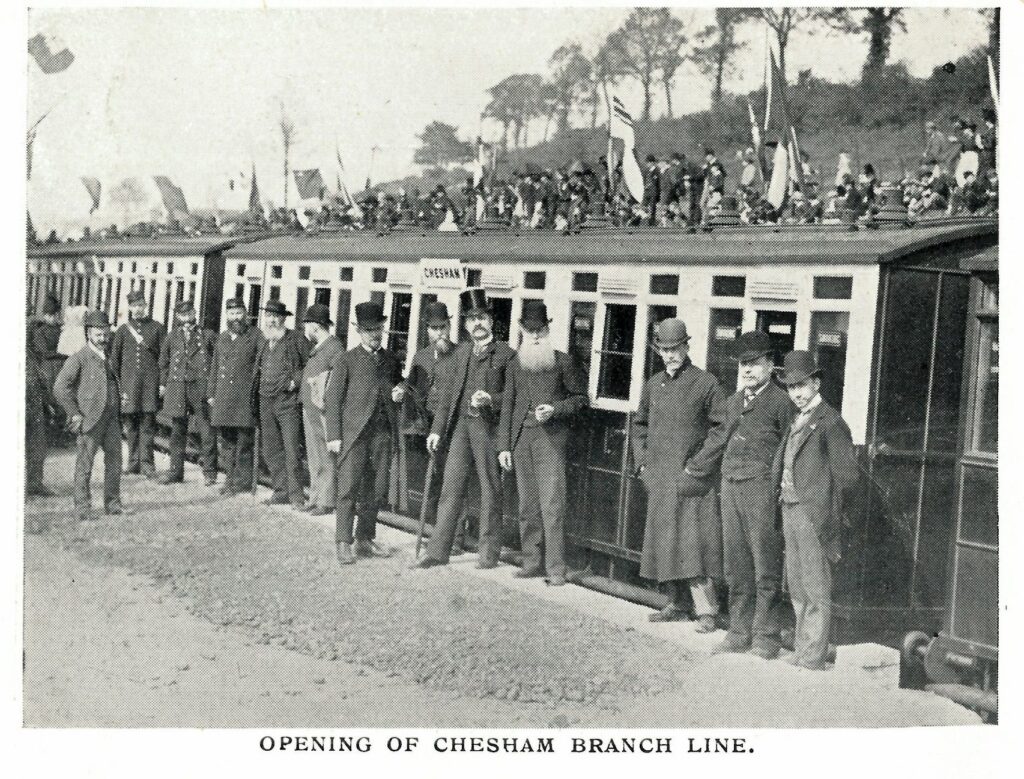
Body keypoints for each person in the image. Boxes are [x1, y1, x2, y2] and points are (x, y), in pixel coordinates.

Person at [631, 318, 728, 633]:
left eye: (676, 349)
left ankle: (706, 610)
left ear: (687, 347)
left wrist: (696, 466)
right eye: (664, 349)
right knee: (665, 541)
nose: (670, 355)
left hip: (690, 481)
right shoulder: (653, 383)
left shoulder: (706, 383)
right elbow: (640, 425)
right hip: (659, 477)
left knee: (693, 545)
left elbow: (721, 431)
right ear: (658, 350)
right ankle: (677, 603)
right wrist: (642, 463)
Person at [412, 288, 515, 570]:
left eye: (481, 318)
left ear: (491, 321)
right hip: (460, 427)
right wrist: (436, 429)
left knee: (490, 490)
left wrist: (491, 399)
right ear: (466, 324)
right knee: (450, 488)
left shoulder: (507, 354)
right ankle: (437, 551)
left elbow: (514, 398)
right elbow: (447, 396)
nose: (476, 324)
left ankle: (488, 554)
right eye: (471, 319)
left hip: (487, 429)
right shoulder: (462, 353)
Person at [772, 351, 859, 670]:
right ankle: (803, 648)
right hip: (789, 507)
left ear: (816, 383)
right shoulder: (797, 418)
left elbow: (847, 479)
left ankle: (812, 656)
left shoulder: (830, 421)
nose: (795, 392)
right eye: (790, 386)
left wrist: (828, 514)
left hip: (813, 514)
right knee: (797, 584)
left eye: (802, 385)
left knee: (815, 586)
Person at [713, 332, 794, 659]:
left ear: (770, 365)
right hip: (730, 486)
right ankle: (738, 632)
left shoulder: (781, 402)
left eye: (755, 364)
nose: (747, 370)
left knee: (765, 565)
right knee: (736, 565)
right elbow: (718, 439)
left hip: (762, 491)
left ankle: (765, 637)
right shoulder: (733, 402)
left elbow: (790, 449)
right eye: (743, 365)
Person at [497, 302, 586, 586]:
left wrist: (555, 409)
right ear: (522, 331)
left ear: (548, 330)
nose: (535, 336)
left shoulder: (563, 362)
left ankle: (556, 569)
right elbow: (508, 406)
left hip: (550, 441)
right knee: (527, 506)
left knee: (552, 505)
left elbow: (581, 400)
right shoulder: (514, 365)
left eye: (540, 330)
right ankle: (531, 562)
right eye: (530, 330)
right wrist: (504, 446)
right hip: (522, 440)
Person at [325, 302, 404, 565]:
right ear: (359, 331)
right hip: (354, 435)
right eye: (369, 330)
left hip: (381, 434)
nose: (374, 334)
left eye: (378, 329)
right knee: (348, 489)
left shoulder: (391, 360)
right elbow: (333, 400)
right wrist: (334, 436)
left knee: (376, 489)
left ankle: (365, 538)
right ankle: (343, 542)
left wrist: (399, 390)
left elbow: (398, 384)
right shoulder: (346, 360)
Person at [400, 301, 467, 552]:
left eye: (444, 327)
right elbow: (413, 387)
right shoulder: (421, 357)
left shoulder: (461, 356)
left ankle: (456, 539)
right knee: (434, 483)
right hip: (427, 428)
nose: (440, 333)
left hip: (453, 429)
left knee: (454, 482)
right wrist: (402, 389)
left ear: (450, 327)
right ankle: (438, 534)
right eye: (434, 328)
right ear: (427, 329)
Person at [53, 310, 131, 521]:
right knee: (84, 465)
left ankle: (113, 504)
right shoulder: (79, 358)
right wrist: (75, 414)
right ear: (88, 334)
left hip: (112, 419)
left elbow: (111, 383)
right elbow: (60, 388)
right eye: (98, 334)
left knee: (115, 463)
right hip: (90, 420)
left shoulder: (110, 358)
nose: (103, 338)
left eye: (106, 333)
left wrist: (120, 396)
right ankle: (83, 508)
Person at [254, 299, 311, 508]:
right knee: (271, 449)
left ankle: (296, 496)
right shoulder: (263, 340)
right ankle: (280, 491)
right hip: (265, 399)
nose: (271, 320)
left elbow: (310, 364)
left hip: (287, 403)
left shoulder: (295, 339)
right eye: (268, 316)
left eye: (275, 317)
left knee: (291, 449)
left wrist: (295, 381)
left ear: (283, 319)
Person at [157, 300, 218, 485]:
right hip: (178, 387)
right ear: (177, 317)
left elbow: (216, 361)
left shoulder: (207, 335)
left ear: (195, 313)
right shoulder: (172, 336)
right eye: (182, 315)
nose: (186, 318)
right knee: (177, 430)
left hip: (200, 387)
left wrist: (212, 388)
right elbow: (163, 363)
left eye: (189, 313)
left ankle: (209, 472)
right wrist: (162, 384)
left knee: (206, 430)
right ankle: (176, 472)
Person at [208, 298, 263, 497]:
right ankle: (229, 479)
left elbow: (260, 366)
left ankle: (242, 482)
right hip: (223, 397)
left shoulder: (255, 336)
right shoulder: (222, 337)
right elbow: (214, 367)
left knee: (244, 442)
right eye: (232, 314)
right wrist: (211, 393)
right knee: (227, 442)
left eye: (239, 313)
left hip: (244, 398)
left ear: (246, 314)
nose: (236, 317)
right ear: (227, 316)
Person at [109, 290, 165, 478]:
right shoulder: (123, 331)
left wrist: (162, 383)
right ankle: (133, 462)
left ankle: (147, 463)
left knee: (148, 425)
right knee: (130, 426)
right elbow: (114, 362)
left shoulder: (157, 328)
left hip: (149, 386)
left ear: (146, 306)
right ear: (130, 308)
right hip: (129, 388)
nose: (137, 309)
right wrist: (117, 387)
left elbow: (164, 360)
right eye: (134, 306)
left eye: (140, 305)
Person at [300, 304, 345, 516]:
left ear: (316, 326)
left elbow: (337, 379)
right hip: (311, 408)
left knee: (325, 454)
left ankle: (326, 500)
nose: (305, 330)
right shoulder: (321, 346)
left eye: (307, 325)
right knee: (314, 454)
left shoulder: (335, 348)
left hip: (322, 409)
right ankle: (315, 496)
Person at [25, 337, 54, 498]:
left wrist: (47, 402)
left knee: (37, 446)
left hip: (35, 406)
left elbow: (39, 379)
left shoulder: (29, 354)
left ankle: (35, 484)